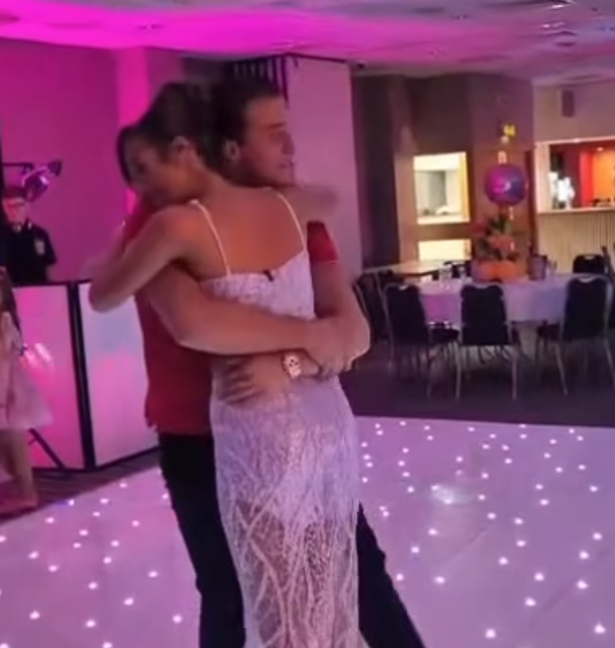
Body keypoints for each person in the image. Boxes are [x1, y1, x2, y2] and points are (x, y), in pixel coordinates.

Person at [114, 79, 425, 648]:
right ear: (231, 149)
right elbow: (196, 322)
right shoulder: (167, 219)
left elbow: (353, 333)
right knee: (231, 596)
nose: (292, 147)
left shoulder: (293, 211)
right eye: (275, 133)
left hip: (298, 437)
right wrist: (310, 339)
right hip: (200, 439)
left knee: (356, 573)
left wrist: (290, 362)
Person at [0, 268, 51, 515]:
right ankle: (18, 491)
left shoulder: (4, 321)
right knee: (7, 442)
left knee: (13, 441)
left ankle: (26, 492)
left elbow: (4, 359)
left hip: (6, 388)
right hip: (6, 386)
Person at [0, 185, 57, 285]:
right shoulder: (2, 235)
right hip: (9, 290)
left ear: (27, 205)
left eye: (19, 205)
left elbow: (48, 265)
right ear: (4, 208)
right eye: (10, 206)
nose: (15, 210)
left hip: (38, 288)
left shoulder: (39, 234)